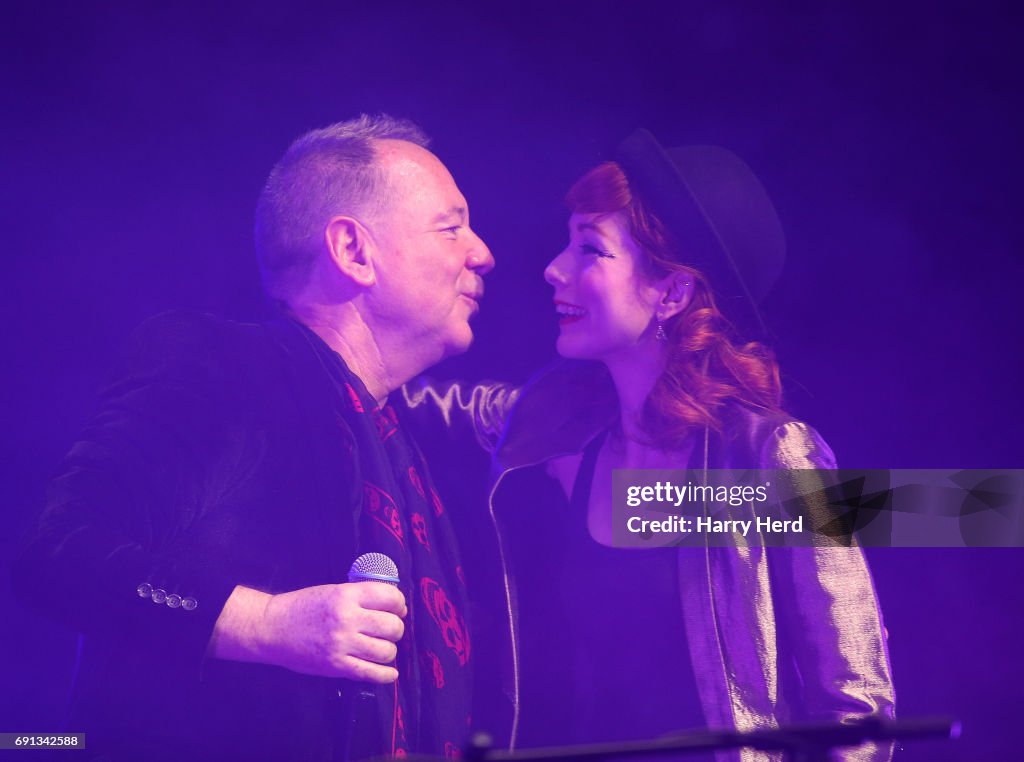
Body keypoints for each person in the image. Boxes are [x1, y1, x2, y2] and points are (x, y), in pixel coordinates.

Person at [11, 114, 516, 761]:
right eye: (452, 226)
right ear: (354, 251)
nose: (482, 252)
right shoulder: (223, 367)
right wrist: (265, 624)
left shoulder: (407, 438)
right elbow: (60, 555)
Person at [486, 130, 896, 761]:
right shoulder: (561, 433)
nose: (554, 268)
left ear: (672, 294)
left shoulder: (773, 455)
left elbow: (854, 707)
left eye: (589, 249)